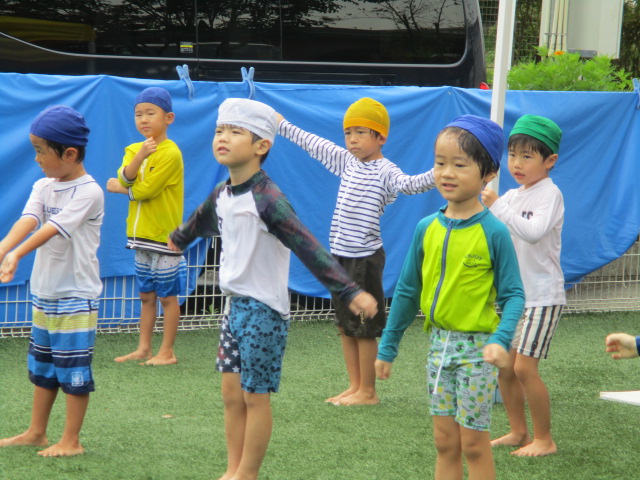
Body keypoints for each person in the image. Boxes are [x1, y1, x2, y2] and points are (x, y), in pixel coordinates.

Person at [168, 97, 378, 480]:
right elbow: (198, 221)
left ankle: (247, 473)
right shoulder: (222, 194)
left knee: (254, 395)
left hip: (264, 311)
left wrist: (351, 291)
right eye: (219, 130)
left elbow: (309, 247)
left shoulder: (269, 199)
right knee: (231, 394)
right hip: (232, 309)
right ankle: (232, 470)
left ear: (261, 145)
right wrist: (178, 239)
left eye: (235, 132)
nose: (223, 137)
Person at [375, 115, 525, 480]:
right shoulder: (426, 228)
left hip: (477, 353)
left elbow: (514, 295)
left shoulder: (494, 232)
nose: (447, 173)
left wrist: (501, 339)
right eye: (440, 163)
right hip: (438, 348)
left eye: (460, 164)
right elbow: (407, 290)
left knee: (473, 444)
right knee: (444, 442)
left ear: (488, 173)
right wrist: (388, 346)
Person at [276, 97, 435, 406]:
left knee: (363, 328)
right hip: (339, 257)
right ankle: (354, 386)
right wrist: (282, 125)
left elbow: (410, 184)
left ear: (381, 137)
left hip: (364, 259)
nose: (352, 139)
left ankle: (368, 392)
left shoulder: (386, 170)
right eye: (348, 133)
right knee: (345, 326)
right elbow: (314, 144)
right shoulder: (347, 161)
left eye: (361, 132)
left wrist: (439, 172)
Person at [0, 105, 103, 457]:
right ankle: (36, 433)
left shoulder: (89, 192)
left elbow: (53, 228)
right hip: (44, 293)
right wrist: (4, 247)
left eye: (41, 151)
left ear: (69, 153)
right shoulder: (43, 185)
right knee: (43, 368)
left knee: (73, 371)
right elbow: (30, 219)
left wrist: (17, 254)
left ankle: (71, 441)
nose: (37, 159)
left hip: (75, 295)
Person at [481, 114, 564, 457]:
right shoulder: (512, 196)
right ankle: (518, 432)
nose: (517, 163)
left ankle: (544, 439)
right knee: (505, 367)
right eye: (513, 155)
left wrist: (496, 205)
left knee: (524, 368)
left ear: (549, 161)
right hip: (516, 297)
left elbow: (533, 232)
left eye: (527, 156)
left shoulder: (550, 194)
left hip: (543, 296)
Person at [107, 86, 186, 366]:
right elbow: (125, 176)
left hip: (166, 238)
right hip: (139, 236)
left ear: (168, 118)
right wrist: (139, 156)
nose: (143, 119)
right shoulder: (133, 149)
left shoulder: (171, 153)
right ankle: (143, 349)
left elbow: (145, 190)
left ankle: (167, 352)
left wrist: (120, 189)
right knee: (146, 295)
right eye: (138, 114)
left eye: (150, 113)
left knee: (168, 297)